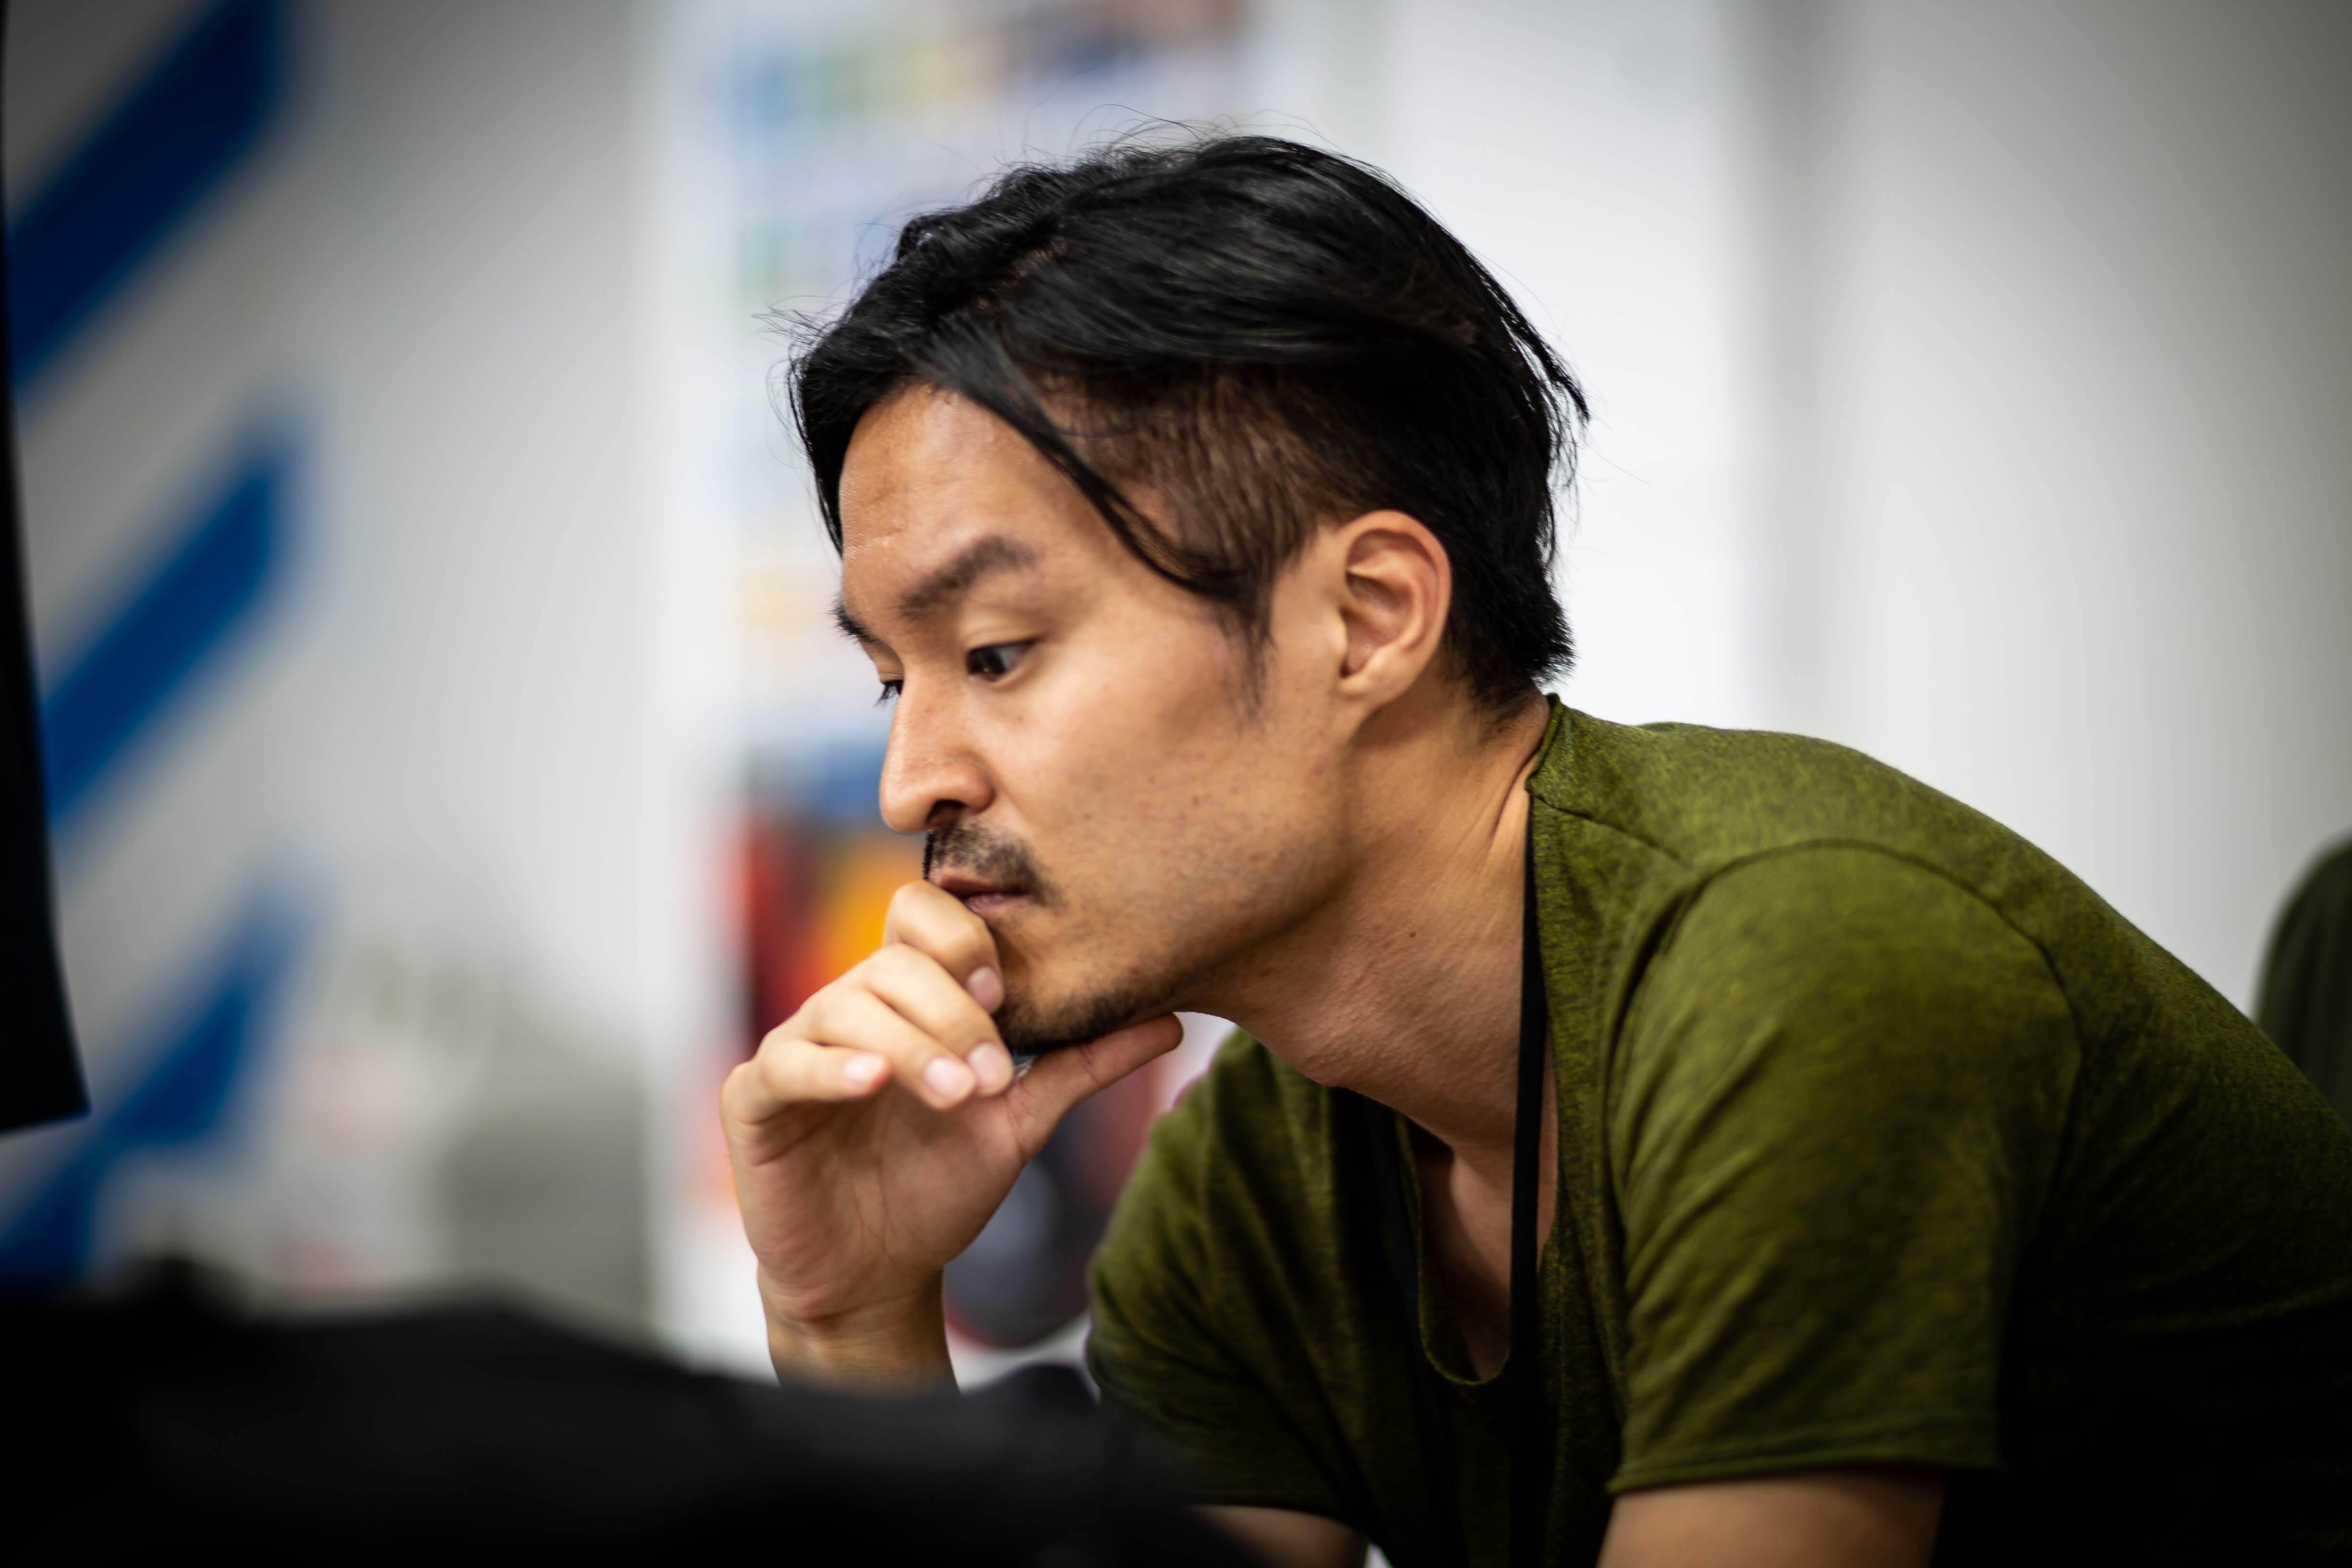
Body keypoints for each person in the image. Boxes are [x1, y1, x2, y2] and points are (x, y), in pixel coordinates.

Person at [721, 135, 2352, 1567]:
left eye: (995, 651)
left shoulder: (1795, 960)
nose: (909, 782)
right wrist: (850, 1323)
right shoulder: (1252, 1176)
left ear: (1367, 619)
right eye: (894, 680)